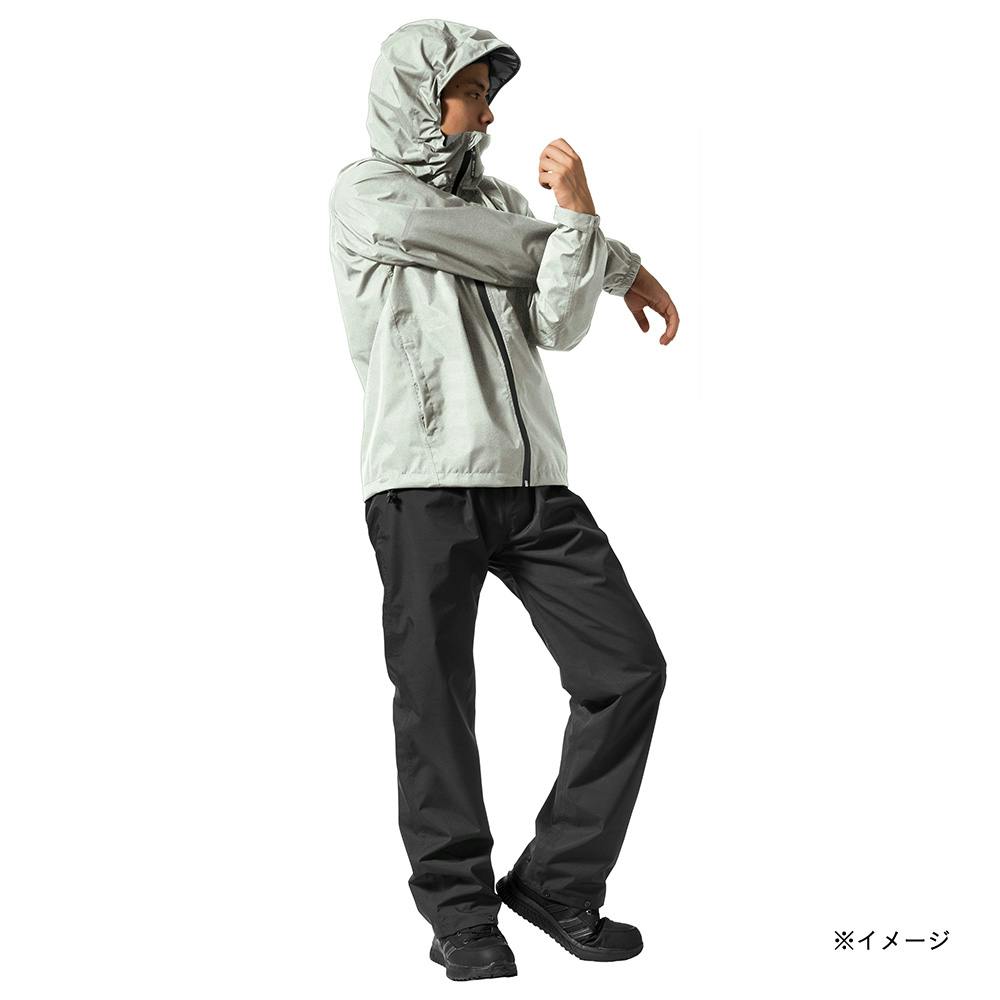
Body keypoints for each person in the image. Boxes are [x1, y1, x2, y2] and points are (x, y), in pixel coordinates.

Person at [328, 18, 679, 982]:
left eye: (490, 94)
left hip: (534, 487)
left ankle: (559, 884)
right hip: (423, 480)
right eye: (473, 92)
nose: (488, 112)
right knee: (435, 703)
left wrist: (577, 225)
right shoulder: (367, 194)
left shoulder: (507, 202)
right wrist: (610, 253)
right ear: (421, 94)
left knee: (628, 671)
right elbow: (496, 249)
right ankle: (458, 913)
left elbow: (557, 325)